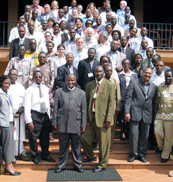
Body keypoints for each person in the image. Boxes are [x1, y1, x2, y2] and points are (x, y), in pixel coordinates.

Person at [81, 65, 115, 172]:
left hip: (104, 119)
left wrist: (109, 119)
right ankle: (91, 156)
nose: (98, 73)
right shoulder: (89, 85)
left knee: (104, 144)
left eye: (100, 71)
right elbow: (86, 103)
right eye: (96, 72)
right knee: (84, 138)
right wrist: (86, 118)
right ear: (94, 73)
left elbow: (111, 103)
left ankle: (102, 164)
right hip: (91, 118)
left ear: (104, 72)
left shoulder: (109, 85)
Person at [53, 74, 86, 173]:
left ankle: (78, 165)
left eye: (72, 80)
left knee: (76, 147)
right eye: (68, 80)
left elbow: (83, 111)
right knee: (63, 147)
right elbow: (55, 109)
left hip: (76, 123)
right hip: (62, 123)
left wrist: (83, 124)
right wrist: (54, 121)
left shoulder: (81, 93)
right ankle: (61, 165)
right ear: (65, 81)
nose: (70, 82)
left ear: (75, 81)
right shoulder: (59, 92)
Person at [124, 68, 157, 163]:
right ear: (142, 73)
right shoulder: (134, 82)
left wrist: (153, 115)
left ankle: (142, 154)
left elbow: (153, 102)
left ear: (151, 75)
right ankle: (133, 154)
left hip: (147, 114)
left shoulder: (154, 86)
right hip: (135, 113)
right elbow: (128, 98)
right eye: (146, 72)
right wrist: (127, 112)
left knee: (145, 136)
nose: (147, 74)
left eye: (150, 73)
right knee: (134, 134)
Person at [24, 70, 55, 164]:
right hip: (35, 115)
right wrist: (29, 121)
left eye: (40, 77)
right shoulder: (29, 90)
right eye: (36, 77)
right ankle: (34, 156)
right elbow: (27, 106)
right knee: (33, 138)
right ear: (33, 78)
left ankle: (45, 155)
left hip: (44, 116)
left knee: (45, 137)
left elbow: (47, 103)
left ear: (42, 78)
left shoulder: (45, 88)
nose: (38, 78)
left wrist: (49, 117)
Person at [0, 75, 21, 175]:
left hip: (9, 122)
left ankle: (10, 165)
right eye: (5, 83)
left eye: (9, 84)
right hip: (3, 124)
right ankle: (8, 166)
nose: (7, 85)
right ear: (1, 83)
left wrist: (12, 123)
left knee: (10, 145)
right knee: (7, 145)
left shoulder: (7, 94)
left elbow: (10, 109)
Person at [8, 68, 29, 161]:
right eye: (12, 74)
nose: (14, 76)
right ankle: (10, 154)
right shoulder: (6, 86)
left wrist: (21, 109)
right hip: (9, 116)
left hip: (20, 115)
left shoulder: (21, 87)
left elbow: (25, 100)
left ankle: (21, 151)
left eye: (16, 74)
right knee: (11, 135)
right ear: (9, 74)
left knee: (20, 134)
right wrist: (12, 113)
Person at [154, 70, 173, 163]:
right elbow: (156, 101)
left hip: (171, 116)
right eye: (166, 76)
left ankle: (165, 155)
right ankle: (161, 147)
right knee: (157, 131)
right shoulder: (160, 87)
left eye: (170, 76)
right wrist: (155, 114)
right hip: (160, 114)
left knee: (169, 137)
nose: (168, 78)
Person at [119, 59, 138, 141]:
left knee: (131, 115)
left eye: (128, 63)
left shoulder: (134, 75)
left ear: (130, 65)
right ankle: (122, 132)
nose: (126, 65)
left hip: (132, 98)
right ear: (122, 65)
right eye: (124, 63)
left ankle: (129, 132)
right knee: (122, 116)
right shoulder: (119, 74)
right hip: (122, 98)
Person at [104, 64, 121, 150]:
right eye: (107, 71)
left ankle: (109, 145)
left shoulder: (115, 82)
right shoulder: (101, 81)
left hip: (113, 108)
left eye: (111, 71)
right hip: (102, 108)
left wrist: (118, 108)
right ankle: (100, 144)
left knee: (111, 128)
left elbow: (118, 96)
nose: (109, 72)